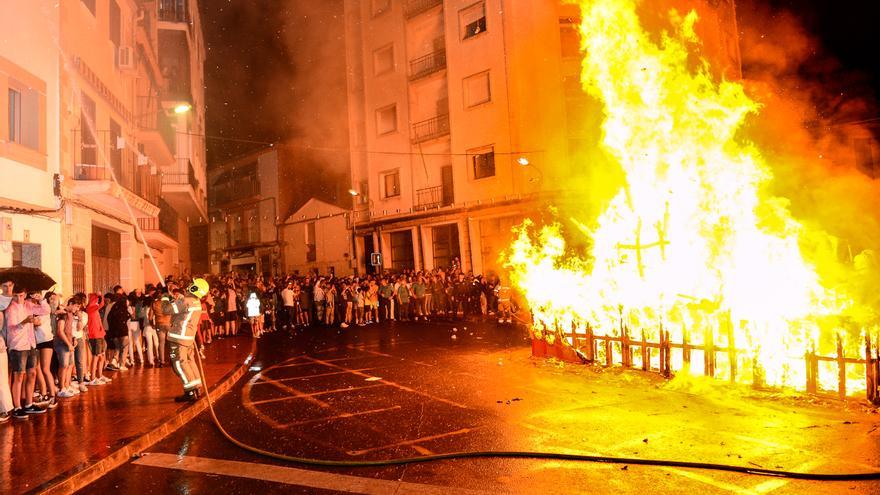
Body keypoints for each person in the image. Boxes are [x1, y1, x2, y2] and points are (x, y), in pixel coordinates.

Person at [5, 286, 50, 418]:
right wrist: (24, 322)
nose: (18, 298)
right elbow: (11, 328)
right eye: (15, 296)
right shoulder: (11, 308)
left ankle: (29, 404)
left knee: (32, 373)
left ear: (25, 294)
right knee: (19, 376)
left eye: (20, 295)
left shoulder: (28, 305)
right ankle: (17, 406)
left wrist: (41, 299)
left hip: (30, 343)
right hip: (17, 345)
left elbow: (46, 310)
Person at [163, 278, 209, 402]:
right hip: (188, 339)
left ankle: (189, 391)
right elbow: (180, 309)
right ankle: (197, 388)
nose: (190, 285)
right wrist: (176, 298)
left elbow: (166, 310)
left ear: (195, 288)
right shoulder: (195, 302)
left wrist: (165, 296)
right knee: (189, 362)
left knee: (179, 364)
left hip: (178, 338)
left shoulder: (186, 301)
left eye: (192, 285)